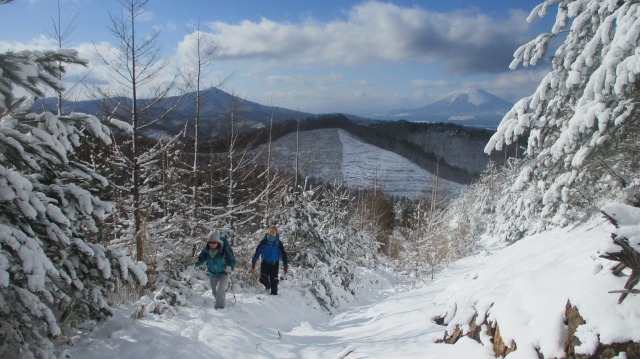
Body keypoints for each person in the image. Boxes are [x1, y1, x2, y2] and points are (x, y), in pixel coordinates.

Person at [195, 230, 236, 309]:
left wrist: (230, 267)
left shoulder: (224, 250)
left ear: (218, 242)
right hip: (212, 274)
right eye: (210, 243)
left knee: (220, 290)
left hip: (224, 273)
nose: (212, 244)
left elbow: (232, 260)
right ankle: (220, 301)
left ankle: (220, 308)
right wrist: (194, 263)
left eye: (214, 242)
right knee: (214, 292)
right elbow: (201, 259)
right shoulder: (206, 250)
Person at [251, 225, 288, 295]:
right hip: (265, 262)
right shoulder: (264, 242)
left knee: (274, 281)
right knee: (262, 279)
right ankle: (268, 286)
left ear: (276, 233)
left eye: (273, 232)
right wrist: (254, 261)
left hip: (274, 264)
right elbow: (258, 251)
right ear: (268, 232)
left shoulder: (278, 244)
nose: (272, 233)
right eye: (270, 231)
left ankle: (274, 298)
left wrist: (285, 265)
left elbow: (283, 254)